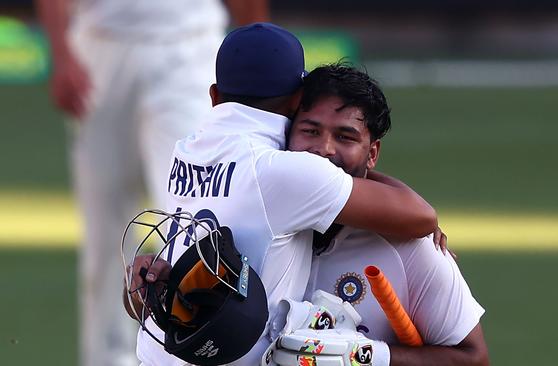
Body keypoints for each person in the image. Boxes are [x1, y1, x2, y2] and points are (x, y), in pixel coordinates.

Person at [127, 23, 442, 365]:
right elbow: (420, 217)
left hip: (159, 351)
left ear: (215, 96)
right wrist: (352, 167)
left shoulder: (184, 150)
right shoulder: (286, 171)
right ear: (297, 101)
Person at [36, 1, 270, 365]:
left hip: (188, 48)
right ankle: (106, 358)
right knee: (104, 230)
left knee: (196, 219)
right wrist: (61, 53)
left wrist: (260, 49)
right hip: (100, 46)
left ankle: (193, 354)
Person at [266, 64, 489, 365]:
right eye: (310, 131)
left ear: (372, 154)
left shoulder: (413, 247)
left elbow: (474, 358)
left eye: (345, 137)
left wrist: (365, 356)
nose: (323, 149)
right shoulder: (258, 214)